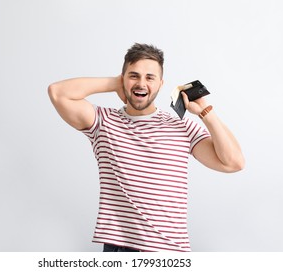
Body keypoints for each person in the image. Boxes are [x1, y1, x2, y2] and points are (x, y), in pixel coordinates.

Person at [48, 43, 244, 252]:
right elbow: (58, 92)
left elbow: (233, 163)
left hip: (170, 253)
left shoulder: (181, 127)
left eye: (150, 77)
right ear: (123, 78)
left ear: (160, 84)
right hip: (121, 250)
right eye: (134, 76)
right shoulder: (103, 121)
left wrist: (205, 111)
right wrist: (116, 83)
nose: (141, 83)